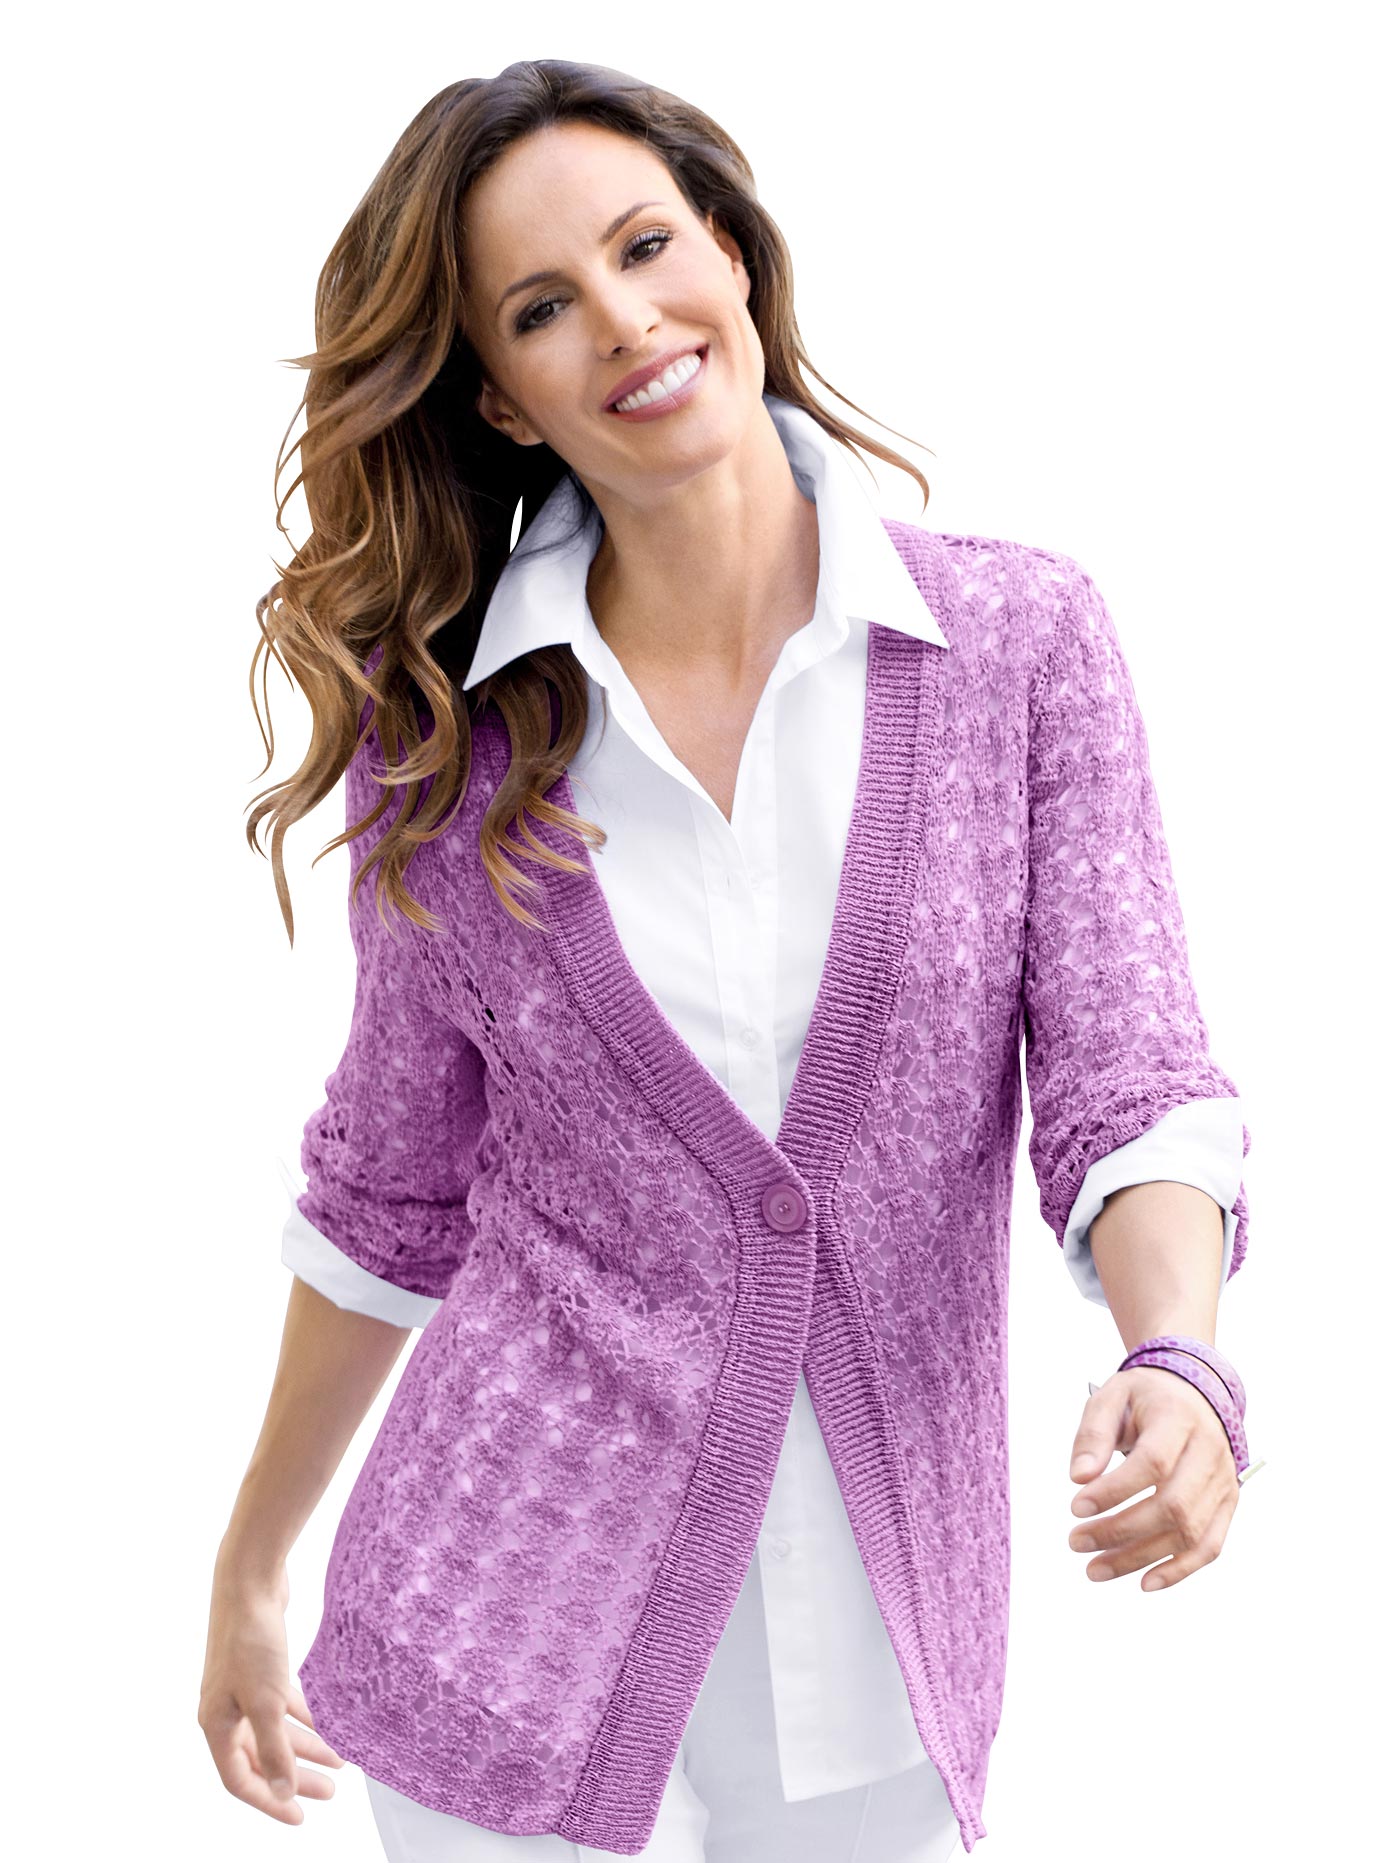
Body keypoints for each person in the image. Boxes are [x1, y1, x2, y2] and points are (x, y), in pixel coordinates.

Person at [199, 59, 1255, 1863]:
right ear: (501, 396)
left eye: (644, 247)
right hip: (489, 1636)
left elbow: (1129, 1078)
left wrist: (1179, 1354)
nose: (624, 321)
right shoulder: (442, 742)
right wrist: (252, 1562)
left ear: (735, 257)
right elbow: (388, 1188)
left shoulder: (1016, 646)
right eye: (542, 307)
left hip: (881, 1654)